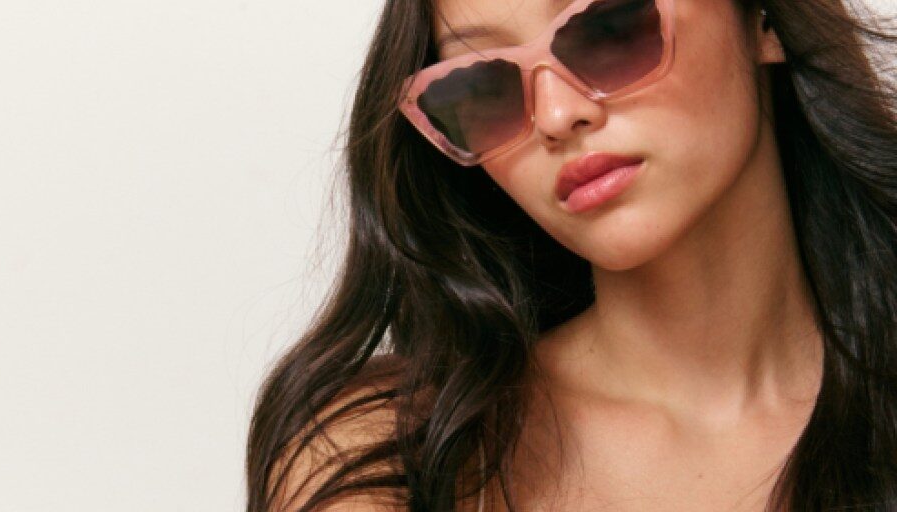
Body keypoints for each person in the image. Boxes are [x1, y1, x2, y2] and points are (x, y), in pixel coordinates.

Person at [246, 0, 897, 510]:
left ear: (763, 19)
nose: (556, 115)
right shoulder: (385, 453)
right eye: (483, 87)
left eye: (609, 29)